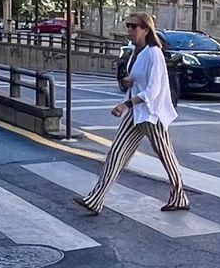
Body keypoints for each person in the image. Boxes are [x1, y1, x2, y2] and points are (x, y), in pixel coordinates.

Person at [79, 13, 189, 213]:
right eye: (128, 26)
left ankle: (179, 196)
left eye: (134, 26)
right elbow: (139, 80)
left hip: (151, 114)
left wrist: (126, 105)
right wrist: (130, 82)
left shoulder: (154, 53)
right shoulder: (136, 52)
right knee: (116, 154)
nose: (130, 30)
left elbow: (153, 90)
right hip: (136, 112)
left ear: (146, 29)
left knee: (165, 155)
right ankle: (95, 199)